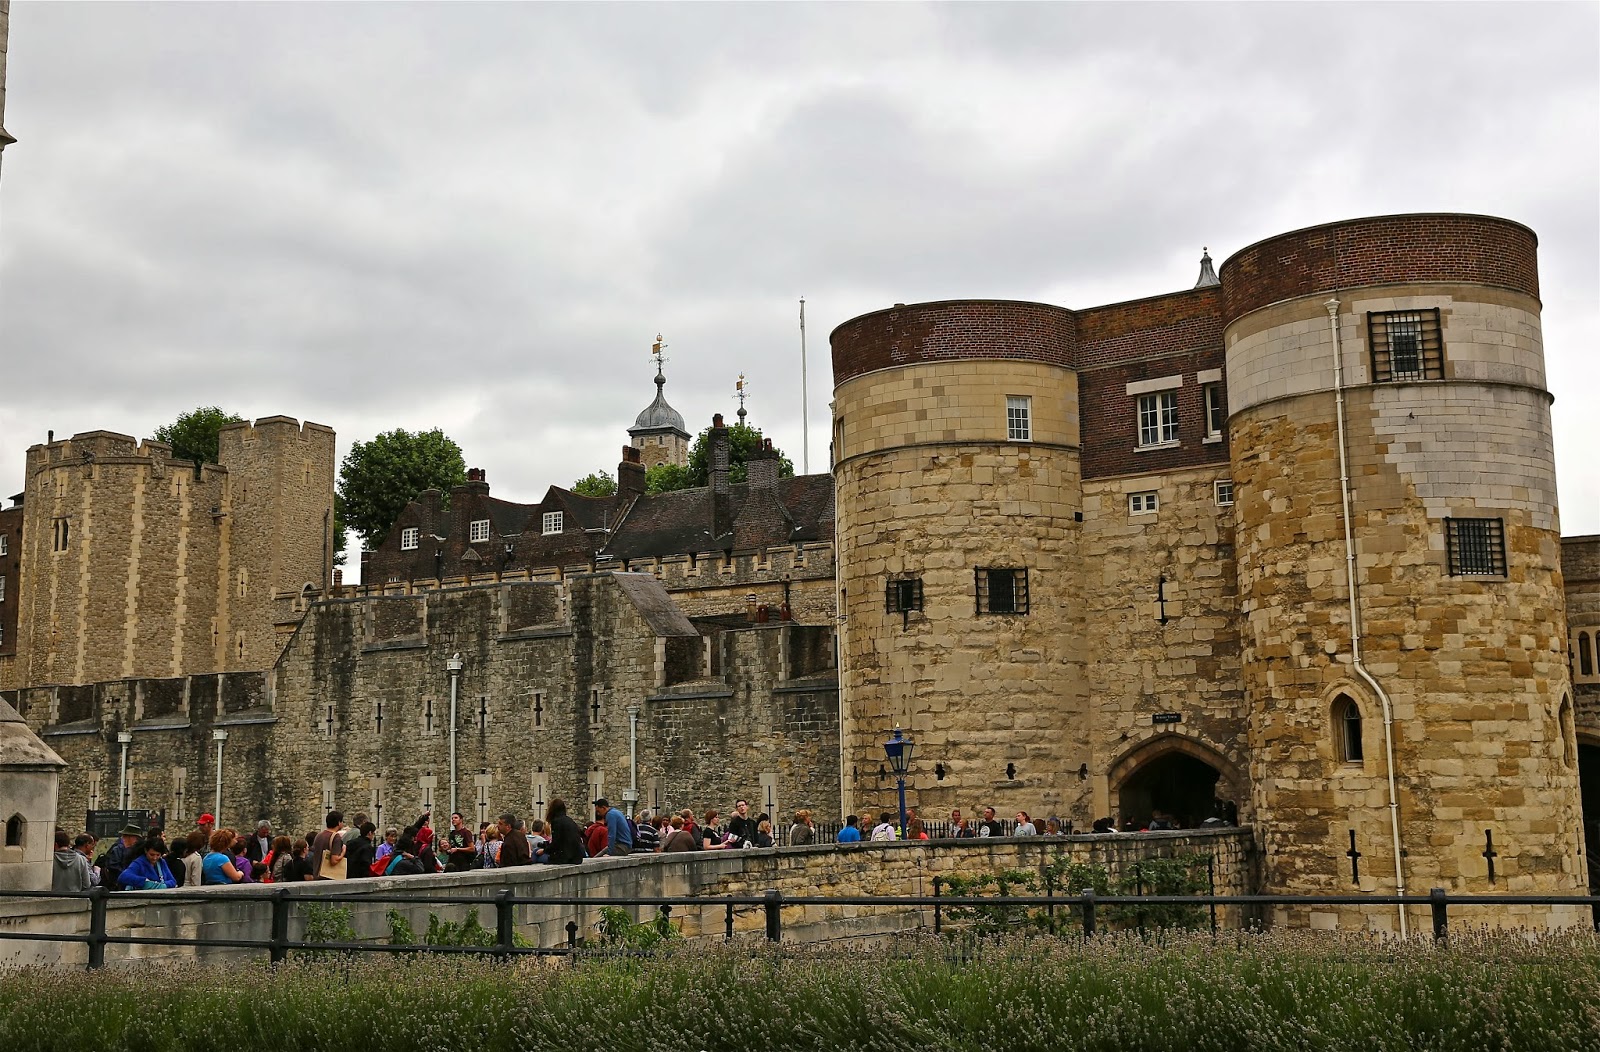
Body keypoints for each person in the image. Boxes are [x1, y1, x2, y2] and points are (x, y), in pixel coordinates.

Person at [99, 824, 144, 890]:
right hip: (120, 885)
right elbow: (114, 868)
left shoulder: (138, 849)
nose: (136, 840)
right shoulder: (118, 849)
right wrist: (128, 876)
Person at [545, 799, 584, 865]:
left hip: (566, 858)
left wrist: (544, 850)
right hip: (577, 857)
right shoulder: (570, 820)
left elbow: (556, 843)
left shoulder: (556, 822)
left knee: (539, 857)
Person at [309, 811, 346, 879]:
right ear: (338, 823)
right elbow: (334, 860)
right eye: (342, 821)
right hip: (328, 877)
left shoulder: (319, 835)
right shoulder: (336, 837)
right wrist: (343, 851)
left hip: (317, 874)